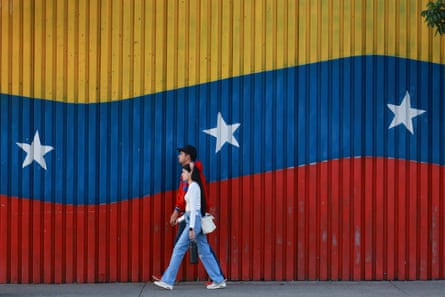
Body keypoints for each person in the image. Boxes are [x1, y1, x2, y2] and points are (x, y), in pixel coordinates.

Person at [153, 164, 226, 290]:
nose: (182, 175)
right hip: (193, 220)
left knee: (179, 248)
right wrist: (180, 219)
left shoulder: (193, 187)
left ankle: (168, 281)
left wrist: (192, 228)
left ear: (190, 173)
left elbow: (194, 211)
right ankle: (218, 279)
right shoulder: (194, 187)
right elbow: (188, 212)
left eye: (184, 172)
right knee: (204, 252)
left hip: (194, 221)